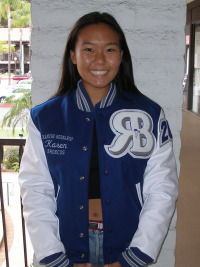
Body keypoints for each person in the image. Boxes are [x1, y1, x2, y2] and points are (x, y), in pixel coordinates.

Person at [18, 12, 178, 267]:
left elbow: (162, 190)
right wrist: (54, 257)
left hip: (127, 246)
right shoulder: (45, 118)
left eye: (110, 49)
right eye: (89, 49)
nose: (100, 60)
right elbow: (36, 189)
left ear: (122, 55)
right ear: (73, 55)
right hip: (67, 248)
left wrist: (136, 256)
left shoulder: (149, 116)